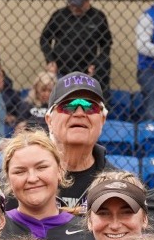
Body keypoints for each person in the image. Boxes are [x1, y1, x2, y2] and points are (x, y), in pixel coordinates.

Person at [0, 130, 92, 240]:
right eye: (20, 171)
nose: (32, 178)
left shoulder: (89, 232)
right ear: (8, 179)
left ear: (60, 171)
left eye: (41, 167)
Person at [46, 73, 112, 208]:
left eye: (90, 106)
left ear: (102, 120)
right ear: (49, 121)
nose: (80, 113)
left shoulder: (117, 183)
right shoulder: (23, 180)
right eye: (68, 105)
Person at [40, 0, 112, 82]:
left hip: (87, 70)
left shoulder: (98, 17)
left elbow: (106, 43)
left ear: (87, 1)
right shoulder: (59, 15)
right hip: (62, 69)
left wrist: (97, 63)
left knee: (104, 66)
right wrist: (50, 60)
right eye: (72, 4)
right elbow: (44, 38)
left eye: (79, 5)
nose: (74, 8)